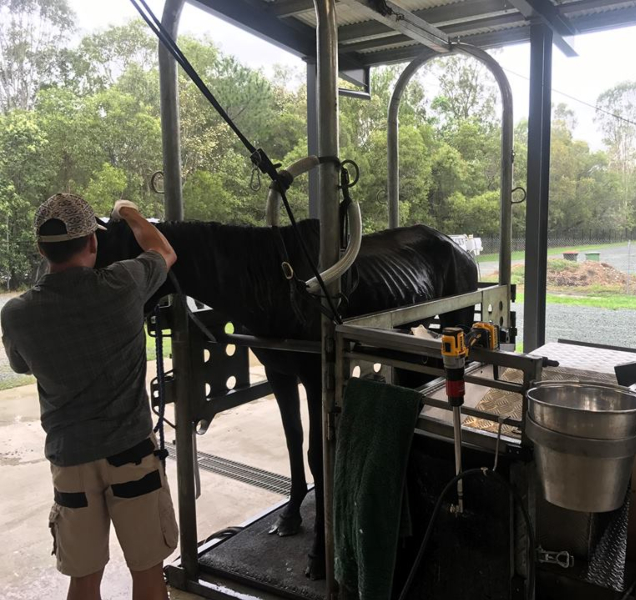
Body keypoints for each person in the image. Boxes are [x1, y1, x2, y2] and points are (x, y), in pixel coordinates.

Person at [1, 193, 179, 600]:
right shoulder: (123, 283)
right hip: (132, 455)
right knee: (148, 573)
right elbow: (164, 251)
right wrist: (126, 210)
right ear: (93, 243)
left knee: (83, 579)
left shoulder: (17, 313)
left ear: (41, 249)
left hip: (71, 463)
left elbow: (21, 366)